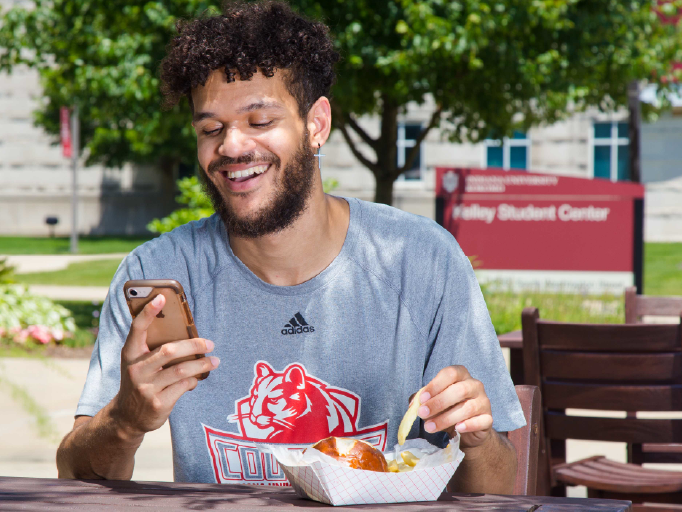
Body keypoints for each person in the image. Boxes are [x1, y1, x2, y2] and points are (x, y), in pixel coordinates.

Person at [56, 1, 524, 493]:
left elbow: (499, 487)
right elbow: (75, 474)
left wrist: (476, 437)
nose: (232, 147)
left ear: (316, 124)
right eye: (210, 128)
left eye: (259, 121)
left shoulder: (421, 261)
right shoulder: (159, 273)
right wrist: (125, 420)